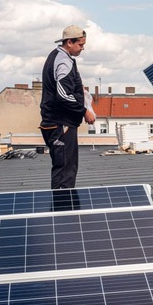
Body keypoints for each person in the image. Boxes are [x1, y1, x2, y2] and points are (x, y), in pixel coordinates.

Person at [39, 25, 95, 189]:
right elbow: (62, 94)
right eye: (80, 45)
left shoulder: (58, 57)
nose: (82, 48)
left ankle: (62, 209)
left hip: (56, 123)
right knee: (64, 172)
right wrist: (84, 111)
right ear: (69, 42)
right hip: (60, 124)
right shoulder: (63, 61)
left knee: (64, 168)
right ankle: (62, 211)